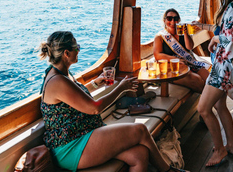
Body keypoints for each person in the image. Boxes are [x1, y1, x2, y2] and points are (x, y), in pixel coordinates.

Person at [39, 31, 188, 172]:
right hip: (70, 146)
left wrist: (96, 83)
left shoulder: (61, 74)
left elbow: (75, 95)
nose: (79, 50)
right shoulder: (57, 81)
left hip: (83, 133)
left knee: (140, 154)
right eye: (77, 47)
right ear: (66, 53)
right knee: (140, 130)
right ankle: (168, 170)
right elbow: (95, 108)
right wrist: (121, 88)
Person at [197, 0, 233, 167]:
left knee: (203, 108)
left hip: (223, 69)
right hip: (226, 65)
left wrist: (215, 37)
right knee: (219, 105)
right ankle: (232, 145)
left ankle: (219, 150)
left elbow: (229, 38)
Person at [153, 9, 211, 93]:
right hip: (174, 68)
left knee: (209, 78)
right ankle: (206, 102)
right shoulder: (160, 37)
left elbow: (190, 47)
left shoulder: (183, 33)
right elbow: (157, 55)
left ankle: (211, 102)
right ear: (165, 20)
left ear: (179, 20)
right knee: (197, 80)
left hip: (190, 64)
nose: (173, 21)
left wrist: (186, 34)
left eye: (175, 18)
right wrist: (176, 59)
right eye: (169, 18)